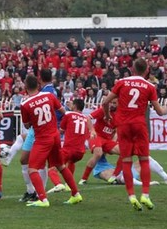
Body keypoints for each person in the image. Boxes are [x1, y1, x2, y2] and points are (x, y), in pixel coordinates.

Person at [102, 58, 167, 211]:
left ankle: (131, 195)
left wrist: (107, 116)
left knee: (126, 160)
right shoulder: (149, 86)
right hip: (139, 125)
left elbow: (105, 102)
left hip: (123, 125)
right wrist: (166, 109)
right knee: (144, 160)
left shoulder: (122, 82)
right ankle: (145, 194)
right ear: (146, 71)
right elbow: (159, 111)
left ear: (132, 69)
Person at [20, 75, 82, 207]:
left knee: (32, 169)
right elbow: (62, 111)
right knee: (61, 166)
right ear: (38, 85)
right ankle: (76, 194)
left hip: (43, 138)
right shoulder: (49, 96)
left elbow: (26, 125)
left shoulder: (25, 104)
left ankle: (43, 199)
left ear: (25, 87)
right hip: (55, 135)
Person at [78, 102, 122, 185]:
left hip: (107, 140)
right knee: (98, 153)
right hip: (96, 136)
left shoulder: (120, 116)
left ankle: (114, 176)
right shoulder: (104, 111)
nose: (112, 104)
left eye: (115, 103)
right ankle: (84, 179)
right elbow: (88, 118)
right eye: (112, 102)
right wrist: (92, 130)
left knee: (125, 152)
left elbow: (115, 131)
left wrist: (113, 143)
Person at [92, 154, 167, 186]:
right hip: (122, 176)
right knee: (120, 176)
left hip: (124, 171)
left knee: (147, 158)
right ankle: (142, 184)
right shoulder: (99, 170)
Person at [58, 99, 91, 175]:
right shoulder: (85, 118)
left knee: (52, 167)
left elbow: (61, 130)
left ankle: (58, 184)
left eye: (72, 104)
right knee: (71, 162)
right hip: (80, 151)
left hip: (69, 148)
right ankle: (69, 184)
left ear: (75, 106)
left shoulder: (68, 114)